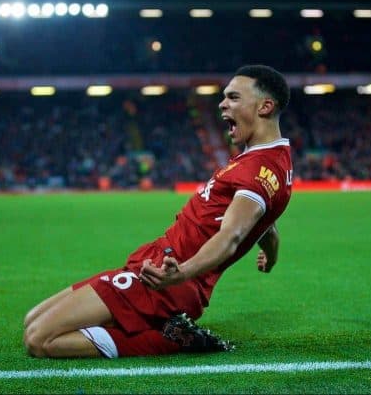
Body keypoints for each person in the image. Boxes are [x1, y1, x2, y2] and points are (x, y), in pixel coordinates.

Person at [23, 65, 293, 358]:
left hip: (167, 282)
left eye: (233, 97)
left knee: (40, 339)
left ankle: (175, 339)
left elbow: (232, 235)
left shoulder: (258, 169)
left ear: (265, 106)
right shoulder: (267, 162)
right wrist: (272, 251)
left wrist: (182, 274)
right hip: (157, 266)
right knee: (32, 320)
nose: (222, 103)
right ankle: (163, 327)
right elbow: (263, 221)